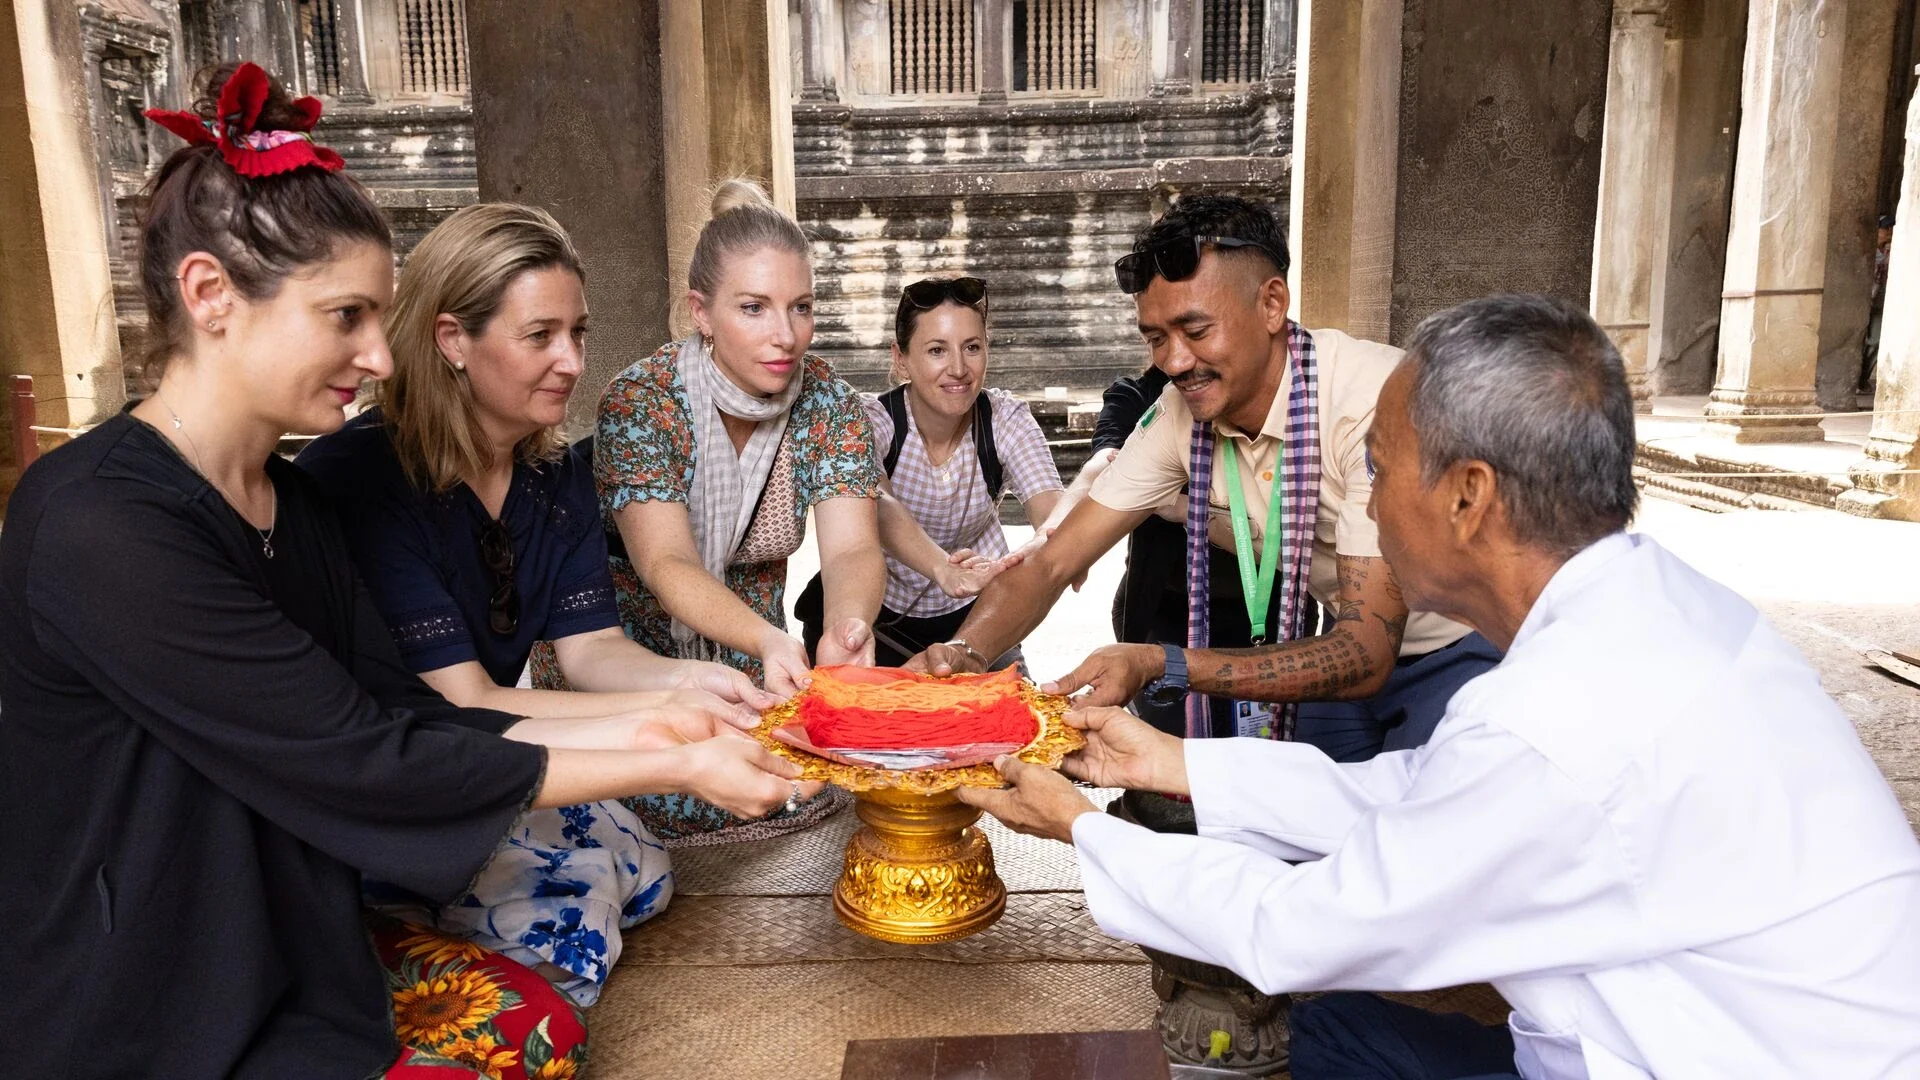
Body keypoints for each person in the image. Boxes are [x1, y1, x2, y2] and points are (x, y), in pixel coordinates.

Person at [0, 63, 807, 1078]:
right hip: (142, 990)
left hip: (286, 942)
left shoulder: (290, 506)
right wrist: (669, 760)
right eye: (346, 316)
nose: (382, 358)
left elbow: (414, 715)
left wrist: (671, 722)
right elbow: (360, 758)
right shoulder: (101, 523)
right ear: (210, 295)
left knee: (548, 1026)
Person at [961, 294, 1920, 1078]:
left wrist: (1079, 827)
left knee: (1330, 1002)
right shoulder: (1660, 606)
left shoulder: (1555, 723)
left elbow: (1301, 928)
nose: (1369, 504)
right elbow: (1417, 797)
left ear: (1469, 496)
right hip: (1698, 1028)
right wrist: (1167, 763)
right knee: (1345, 1032)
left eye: (1380, 471)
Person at [297, 203, 775, 1005]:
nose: (571, 361)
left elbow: (591, 650)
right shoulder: (367, 479)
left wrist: (695, 683)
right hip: (397, 785)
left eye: (578, 333)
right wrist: (666, 725)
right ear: (453, 340)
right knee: (576, 914)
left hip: (490, 749)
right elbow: (466, 703)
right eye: (540, 336)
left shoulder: (553, 476)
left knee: (644, 867)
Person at [910, 195, 1498, 761]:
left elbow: (1366, 653)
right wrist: (964, 652)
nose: (1174, 361)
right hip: (1339, 653)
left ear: (1272, 304)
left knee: (1408, 823)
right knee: (1282, 812)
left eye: (1195, 331)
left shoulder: (1372, 403)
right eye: (1155, 338)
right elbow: (1051, 562)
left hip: (1462, 649)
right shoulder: (1178, 413)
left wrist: (1161, 662)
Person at [594, 178, 885, 839]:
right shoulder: (644, 403)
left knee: (802, 778)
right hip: (639, 663)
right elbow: (667, 564)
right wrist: (767, 640)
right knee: (677, 794)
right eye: (754, 308)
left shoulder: (829, 403)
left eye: (801, 307)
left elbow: (852, 548)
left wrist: (845, 627)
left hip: (762, 670)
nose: (786, 335)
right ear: (700, 312)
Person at [798, 275, 1064, 667]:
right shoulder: (871, 420)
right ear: (900, 358)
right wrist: (943, 568)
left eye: (972, 347)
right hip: (879, 615)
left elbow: (1053, 513)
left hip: (973, 615)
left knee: (1010, 703)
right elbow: (877, 500)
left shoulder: (1007, 420)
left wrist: (1047, 546)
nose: (958, 368)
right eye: (937, 350)